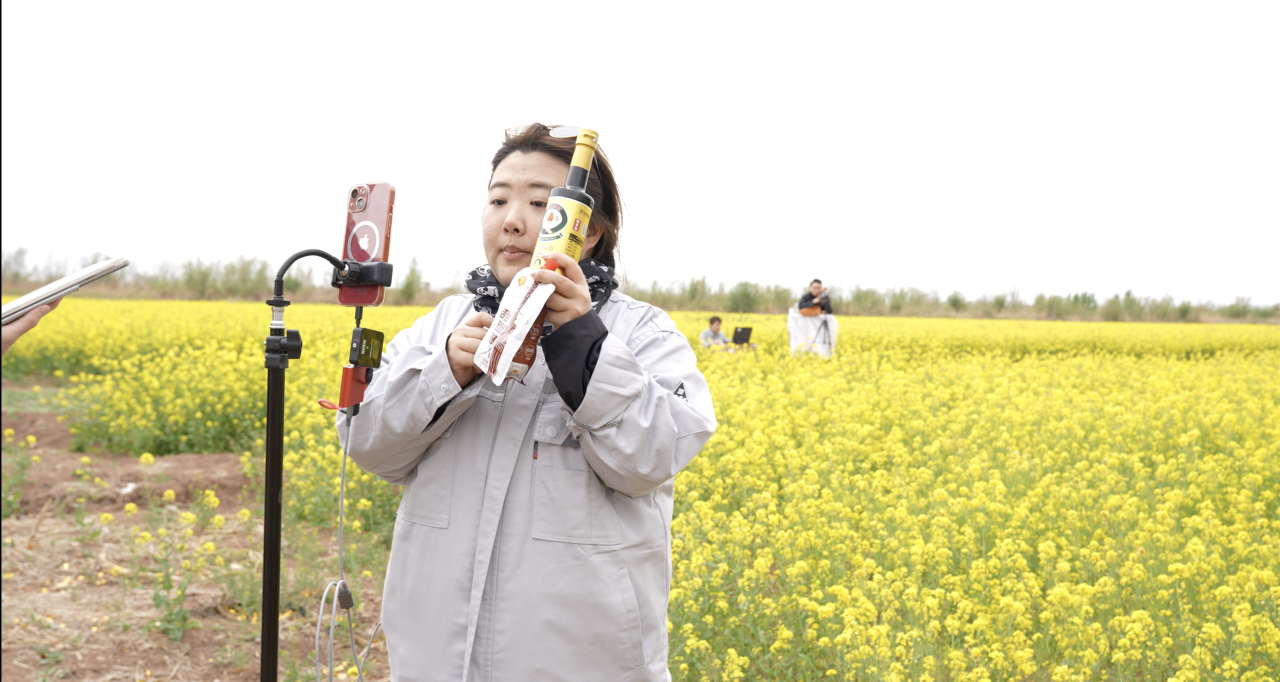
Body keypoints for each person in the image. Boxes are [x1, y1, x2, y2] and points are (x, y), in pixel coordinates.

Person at [338, 124, 717, 681]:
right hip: (435, 659)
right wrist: (445, 372)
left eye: (540, 203)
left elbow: (649, 460)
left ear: (590, 231)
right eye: (498, 200)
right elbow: (368, 446)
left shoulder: (641, 334)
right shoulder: (443, 326)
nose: (511, 220)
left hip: (579, 664)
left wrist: (585, 349)